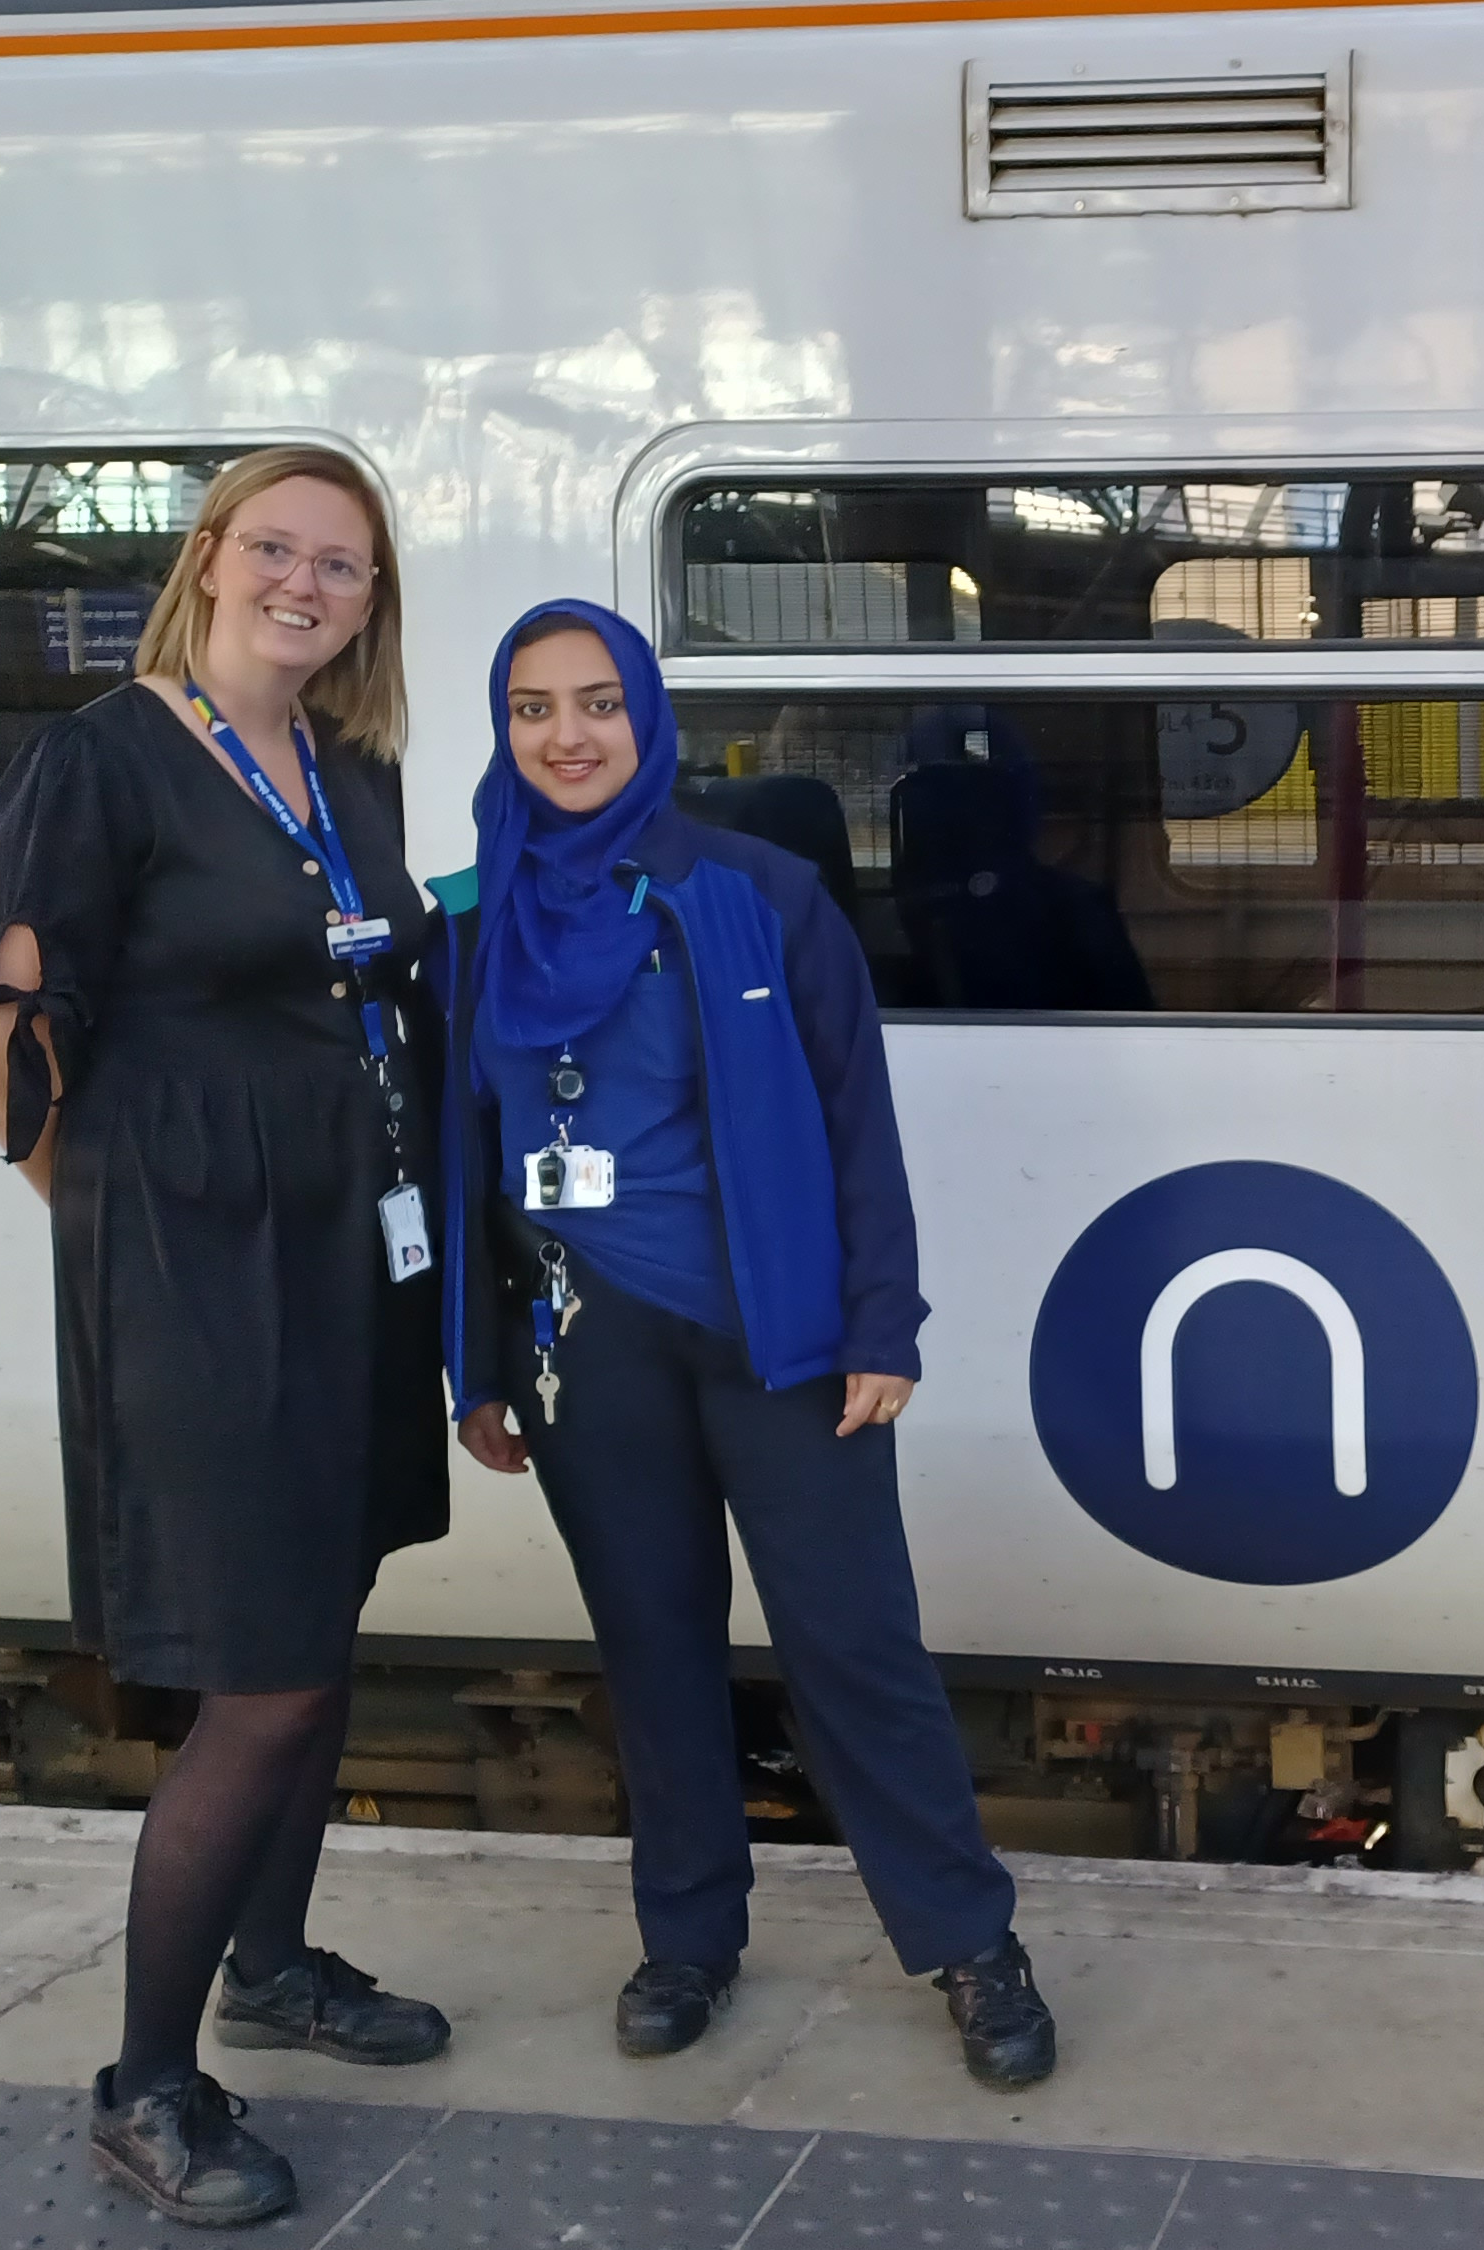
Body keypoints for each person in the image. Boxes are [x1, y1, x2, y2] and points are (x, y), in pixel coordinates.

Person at [432, 599, 1058, 2087]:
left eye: (598, 704)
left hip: (777, 1337)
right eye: (533, 707)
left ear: (649, 720)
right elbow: (458, 1147)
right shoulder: (470, 914)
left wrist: (880, 1320)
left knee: (855, 1647)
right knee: (653, 1651)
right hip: (587, 1347)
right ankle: (689, 1935)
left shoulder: (758, 890)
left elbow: (856, 1116)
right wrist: (474, 1361)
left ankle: (974, 1944)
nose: (566, 735)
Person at [0, 445, 451, 2231]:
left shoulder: (357, 768)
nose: (309, 584)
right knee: (266, 1677)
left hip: (346, 1261)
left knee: (323, 1621)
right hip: (199, 1274)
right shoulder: (99, 762)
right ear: (215, 560)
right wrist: (118, 1233)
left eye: (347, 565)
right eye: (281, 551)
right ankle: (147, 2083)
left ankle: (277, 1961)